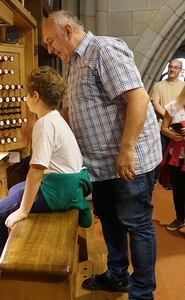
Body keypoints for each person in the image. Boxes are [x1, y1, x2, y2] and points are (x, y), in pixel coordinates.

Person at [42, 10, 162, 300]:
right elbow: (77, 110)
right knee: (109, 218)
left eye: (50, 41)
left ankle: (143, 292)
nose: (49, 49)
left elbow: (139, 98)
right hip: (101, 165)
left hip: (129, 160)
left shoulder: (103, 49)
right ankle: (117, 275)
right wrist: (42, 124)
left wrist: (127, 149)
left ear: (68, 30)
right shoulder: (75, 64)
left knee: (137, 223)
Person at [0, 65, 93, 300]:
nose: (25, 99)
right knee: (15, 188)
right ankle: (12, 245)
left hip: (58, 192)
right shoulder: (53, 118)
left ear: (35, 96)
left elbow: (36, 171)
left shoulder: (45, 124)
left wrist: (22, 211)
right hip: (66, 185)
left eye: (27, 94)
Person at [150, 59, 184, 187]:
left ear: (180, 71)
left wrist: (175, 120)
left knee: (174, 156)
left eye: (176, 67)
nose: (172, 69)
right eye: (170, 67)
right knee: (159, 154)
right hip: (162, 127)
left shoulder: (183, 87)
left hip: (178, 127)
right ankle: (153, 180)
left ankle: (169, 181)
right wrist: (169, 117)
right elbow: (155, 103)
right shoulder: (158, 86)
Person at [160, 85, 185, 231]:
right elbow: (164, 127)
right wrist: (173, 135)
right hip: (176, 155)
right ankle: (180, 217)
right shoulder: (174, 106)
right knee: (178, 189)